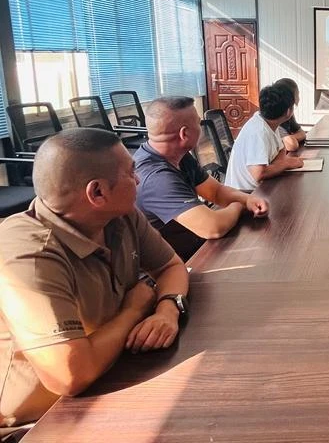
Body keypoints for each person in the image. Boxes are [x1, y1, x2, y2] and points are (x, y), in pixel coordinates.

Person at [0, 129, 189, 433]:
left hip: (111, 375)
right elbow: (68, 377)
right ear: (97, 193)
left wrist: (167, 309)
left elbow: (171, 266)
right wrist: (134, 309)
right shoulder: (29, 254)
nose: (138, 179)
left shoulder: (120, 216)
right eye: (130, 173)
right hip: (36, 422)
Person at [134, 97, 270, 261]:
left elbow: (216, 192)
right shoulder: (157, 179)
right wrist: (240, 205)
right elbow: (212, 228)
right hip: (176, 266)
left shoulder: (177, 155)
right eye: (198, 123)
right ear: (184, 134)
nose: (201, 128)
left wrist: (248, 199)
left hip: (194, 248)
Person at [225, 84, 304, 190]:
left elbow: (281, 150)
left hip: (261, 187)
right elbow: (258, 174)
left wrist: (278, 165)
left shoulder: (270, 122)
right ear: (289, 111)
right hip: (244, 193)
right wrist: (286, 164)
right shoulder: (258, 131)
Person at [274, 78, 307, 152]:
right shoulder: (276, 116)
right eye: (297, 94)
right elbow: (291, 145)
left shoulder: (288, 114)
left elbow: (302, 134)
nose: (299, 97)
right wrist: (290, 139)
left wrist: (291, 138)